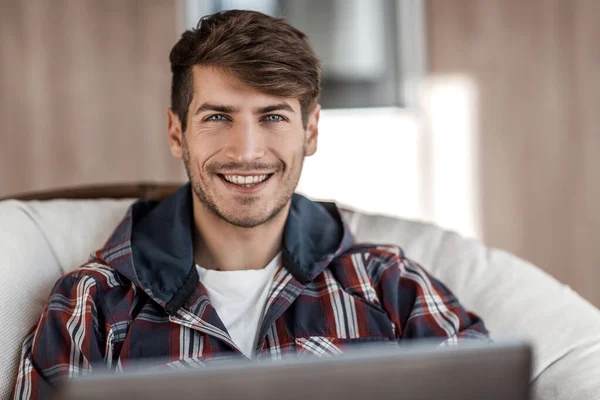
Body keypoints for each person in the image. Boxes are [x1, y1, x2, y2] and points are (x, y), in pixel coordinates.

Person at [13, 9, 488, 399]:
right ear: (178, 133)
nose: (246, 151)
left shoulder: (393, 288)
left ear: (311, 131)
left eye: (273, 117)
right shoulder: (90, 307)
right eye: (218, 117)